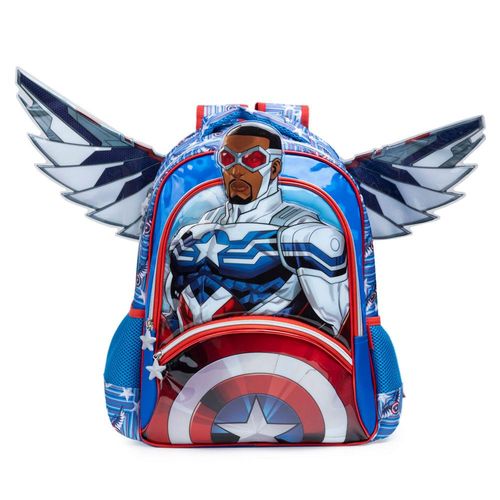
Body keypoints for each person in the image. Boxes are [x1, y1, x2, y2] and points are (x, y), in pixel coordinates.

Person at [163, 122, 349, 340]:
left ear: (274, 168)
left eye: (252, 160)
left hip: (277, 356)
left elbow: (340, 329)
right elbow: (165, 317)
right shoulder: (191, 232)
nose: (236, 171)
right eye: (227, 159)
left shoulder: (304, 233)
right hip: (187, 356)